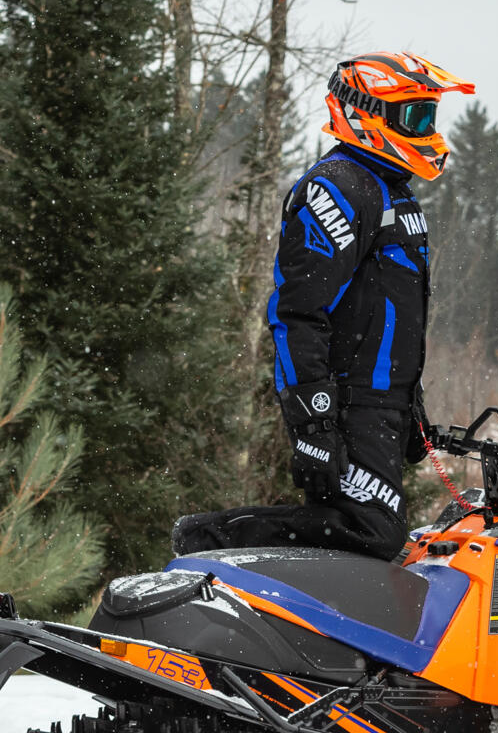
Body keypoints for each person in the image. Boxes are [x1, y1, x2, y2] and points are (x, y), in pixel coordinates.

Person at [172, 51, 474, 559]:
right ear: (366, 112)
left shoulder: (393, 192)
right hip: (344, 402)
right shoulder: (337, 187)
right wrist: (313, 421)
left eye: (430, 114)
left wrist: (410, 403)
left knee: (366, 546)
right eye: (415, 115)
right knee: (370, 532)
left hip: (381, 404)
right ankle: (205, 545)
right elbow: (297, 314)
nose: (427, 128)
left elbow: (396, 315)